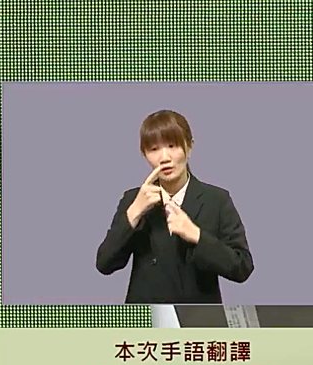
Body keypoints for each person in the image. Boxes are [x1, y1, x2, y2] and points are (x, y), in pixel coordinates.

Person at [95, 109, 254, 304]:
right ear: (144, 154)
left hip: (197, 317)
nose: (164, 158)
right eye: (154, 149)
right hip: (146, 316)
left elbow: (242, 267)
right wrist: (134, 213)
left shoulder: (217, 200)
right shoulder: (133, 199)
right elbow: (104, 264)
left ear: (190, 146)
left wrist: (197, 235)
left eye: (172, 145)